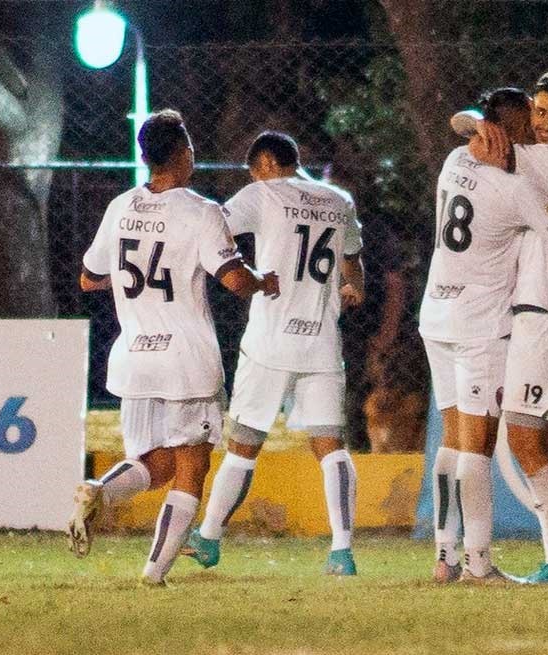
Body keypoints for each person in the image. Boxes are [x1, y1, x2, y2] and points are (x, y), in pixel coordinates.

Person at [67, 109, 280, 586]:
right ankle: (155, 572)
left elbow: (88, 277)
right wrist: (263, 280)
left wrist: (127, 284)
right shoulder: (201, 211)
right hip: (185, 359)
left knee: (157, 462)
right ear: (183, 153)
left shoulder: (120, 207)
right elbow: (234, 280)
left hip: (134, 358)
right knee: (193, 462)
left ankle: (97, 489)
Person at [419, 87, 548, 583]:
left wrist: (474, 126)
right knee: (477, 446)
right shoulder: (516, 187)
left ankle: (445, 558)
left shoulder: (454, 160)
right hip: (479, 324)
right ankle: (479, 564)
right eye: (530, 123)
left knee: (450, 442)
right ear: (510, 132)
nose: (536, 134)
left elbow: (465, 125)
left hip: (435, 312)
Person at [180, 131, 366, 576]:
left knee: (243, 447)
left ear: (263, 164)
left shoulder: (262, 193)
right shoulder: (339, 200)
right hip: (320, 342)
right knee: (331, 448)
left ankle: (208, 538)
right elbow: (354, 262)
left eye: (253, 170)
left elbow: (212, 229)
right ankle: (342, 552)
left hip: (269, 342)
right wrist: (354, 285)